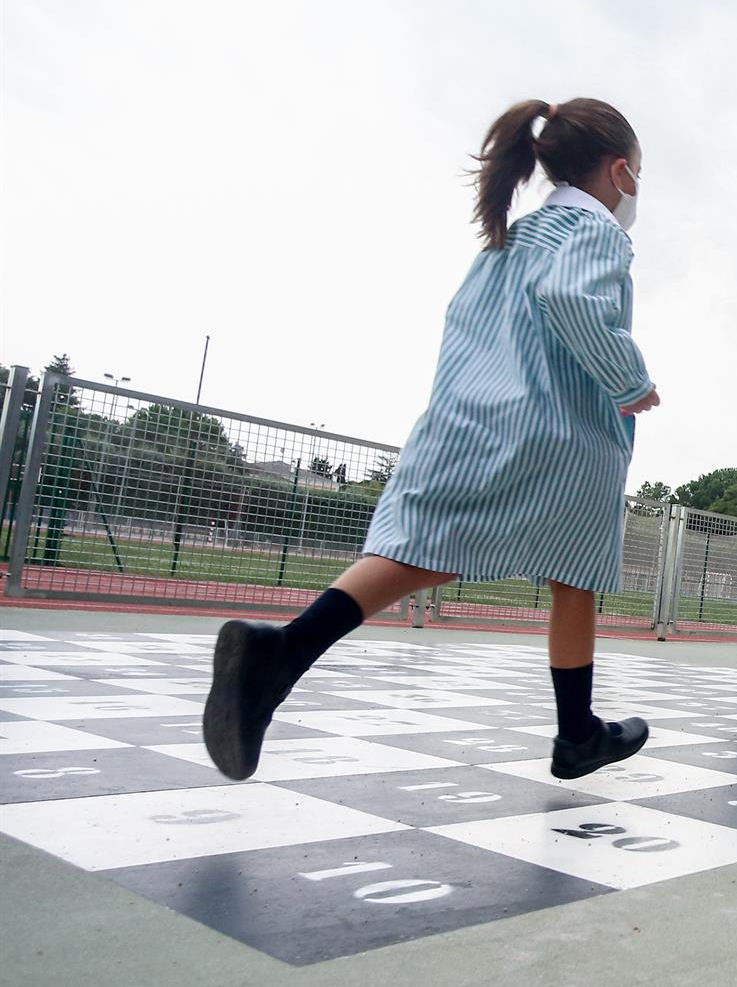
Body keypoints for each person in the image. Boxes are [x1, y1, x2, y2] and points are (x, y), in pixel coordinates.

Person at [202, 98, 661, 783]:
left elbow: (466, 325)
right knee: (576, 567)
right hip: (560, 430)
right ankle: (574, 734)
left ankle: (286, 653)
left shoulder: (511, 238)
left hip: (472, 415)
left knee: (429, 547)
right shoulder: (592, 232)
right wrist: (630, 382)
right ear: (620, 171)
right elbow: (573, 301)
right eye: (638, 176)